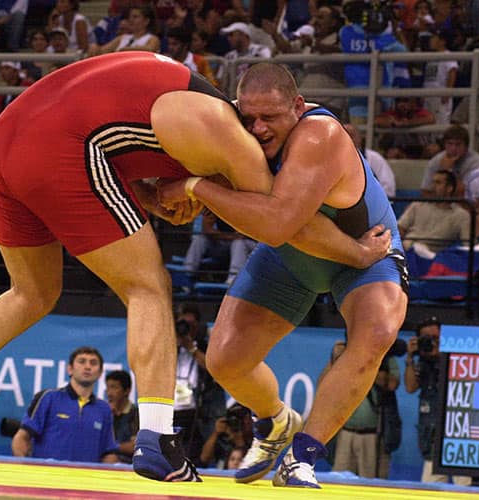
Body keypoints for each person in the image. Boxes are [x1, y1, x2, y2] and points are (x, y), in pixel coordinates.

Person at [0, 53, 384, 483]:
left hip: (2, 140)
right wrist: (355, 252)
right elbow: (278, 223)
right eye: (253, 120)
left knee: (32, 293)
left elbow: (123, 169)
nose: (258, 131)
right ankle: (157, 440)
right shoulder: (229, 137)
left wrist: (174, 193)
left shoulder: (173, 101)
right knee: (148, 287)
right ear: (237, 111)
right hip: (61, 147)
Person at [158, 62, 408, 488]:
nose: (256, 128)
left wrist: (196, 186)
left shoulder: (319, 135)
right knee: (224, 361)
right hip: (298, 254)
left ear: (297, 105)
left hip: (369, 250)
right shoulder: (231, 128)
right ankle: (275, 421)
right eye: (248, 117)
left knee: (377, 332)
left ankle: (302, 455)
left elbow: (275, 224)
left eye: (269, 117)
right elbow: (285, 228)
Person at [11, 346, 119, 463]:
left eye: (93, 363)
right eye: (81, 362)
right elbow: (22, 437)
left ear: (100, 373)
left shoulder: (104, 409)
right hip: (47, 478)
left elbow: (109, 452)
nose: (87, 367)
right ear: (70, 369)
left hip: (85, 479)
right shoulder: (48, 398)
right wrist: (23, 467)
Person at [404, 317, 471, 485]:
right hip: (432, 438)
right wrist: (410, 358)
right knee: (429, 489)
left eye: (435, 338)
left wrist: (442, 354)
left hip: (457, 437)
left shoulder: (456, 358)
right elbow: (410, 387)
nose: (431, 342)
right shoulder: (422, 362)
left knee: (463, 488)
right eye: (426, 338)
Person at [325, 339, 400, 479]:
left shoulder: (385, 357)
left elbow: (392, 384)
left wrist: (369, 362)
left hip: (372, 435)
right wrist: (335, 360)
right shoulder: (346, 356)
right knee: (337, 479)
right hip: (347, 433)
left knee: (369, 482)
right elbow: (323, 387)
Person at [172, 302, 225, 464]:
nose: (186, 328)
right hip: (172, 410)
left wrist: (191, 347)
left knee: (195, 458)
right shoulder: (169, 344)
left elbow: (213, 369)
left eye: (190, 325)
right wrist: (175, 341)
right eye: (183, 324)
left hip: (196, 414)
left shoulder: (204, 346)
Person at [182, 209, 257, 285]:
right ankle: (187, 273)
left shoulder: (245, 206)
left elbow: (243, 234)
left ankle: (233, 278)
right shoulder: (216, 205)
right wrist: (230, 236)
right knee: (200, 238)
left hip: (250, 247)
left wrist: (223, 236)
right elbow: (207, 230)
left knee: (238, 243)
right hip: (225, 244)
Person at [420, 125, 479, 198]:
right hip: (439, 204)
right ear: (444, 145)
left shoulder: (476, 162)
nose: (453, 148)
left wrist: (449, 170)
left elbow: (465, 194)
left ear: (466, 146)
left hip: (465, 205)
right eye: (450, 144)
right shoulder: (436, 161)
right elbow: (425, 192)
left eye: (458, 144)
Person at [199, 402, 253, 469]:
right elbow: (204, 458)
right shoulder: (224, 439)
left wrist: (240, 443)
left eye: (244, 419)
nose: (242, 423)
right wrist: (216, 433)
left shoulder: (257, 438)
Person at [104, 370, 138, 464]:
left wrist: (111, 446)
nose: (109, 393)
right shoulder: (104, 412)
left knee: (111, 460)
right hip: (104, 458)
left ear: (127, 391)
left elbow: (134, 447)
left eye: (114, 388)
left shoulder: (136, 414)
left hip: (127, 463)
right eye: (107, 388)